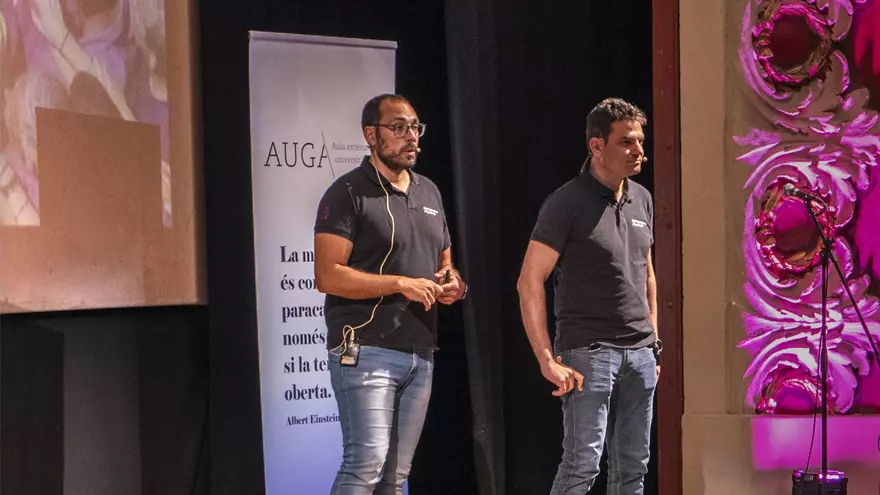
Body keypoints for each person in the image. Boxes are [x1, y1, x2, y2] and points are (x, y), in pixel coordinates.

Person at [314, 93, 467, 494]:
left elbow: (446, 264)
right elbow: (327, 276)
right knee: (365, 464)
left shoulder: (430, 192)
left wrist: (453, 285)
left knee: (396, 477)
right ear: (371, 135)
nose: (410, 136)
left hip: (419, 352)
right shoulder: (347, 192)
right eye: (398, 128)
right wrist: (400, 283)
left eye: (415, 127)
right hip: (366, 349)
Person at [517, 97, 661, 495]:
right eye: (627, 142)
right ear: (597, 146)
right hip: (589, 353)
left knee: (634, 468)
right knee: (583, 465)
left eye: (640, 141)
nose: (639, 151)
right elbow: (530, 280)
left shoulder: (642, 199)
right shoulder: (566, 203)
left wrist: (654, 346)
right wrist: (547, 359)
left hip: (641, 354)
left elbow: (647, 273)